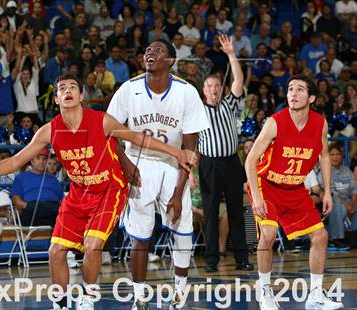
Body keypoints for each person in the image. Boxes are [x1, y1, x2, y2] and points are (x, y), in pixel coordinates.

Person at [0, 74, 196, 310]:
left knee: (92, 244)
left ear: (81, 95)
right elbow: (16, 161)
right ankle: (61, 304)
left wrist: (176, 152)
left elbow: (138, 138)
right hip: (79, 192)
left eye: (73, 87)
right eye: (62, 88)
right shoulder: (50, 130)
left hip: (109, 189)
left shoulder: (102, 121)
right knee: (55, 251)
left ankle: (87, 299)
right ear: (56, 99)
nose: (68, 90)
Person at [107, 38, 209, 309]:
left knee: (183, 230)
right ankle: (139, 296)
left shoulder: (187, 92)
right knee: (140, 235)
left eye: (158, 50)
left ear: (171, 61)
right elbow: (110, 132)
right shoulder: (128, 90)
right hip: (138, 164)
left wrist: (178, 192)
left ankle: (180, 292)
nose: (150, 53)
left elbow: (189, 148)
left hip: (172, 165)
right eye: (147, 50)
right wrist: (125, 164)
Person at [245, 74, 344, 310]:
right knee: (267, 234)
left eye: (300, 90)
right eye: (290, 89)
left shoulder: (320, 123)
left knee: (320, 236)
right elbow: (250, 161)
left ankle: (316, 296)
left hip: (295, 187)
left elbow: (324, 156)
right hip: (266, 184)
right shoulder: (274, 122)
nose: (293, 93)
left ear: (311, 97)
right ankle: (265, 292)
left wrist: (327, 191)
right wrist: (256, 197)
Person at [198, 35, 253, 273]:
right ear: (203, 90)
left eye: (217, 86)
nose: (213, 90)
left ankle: (241, 258)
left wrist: (231, 54)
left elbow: (239, 79)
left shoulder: (229, 103)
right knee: (210, 212)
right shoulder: (196, 110)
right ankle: (211, 259)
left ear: (222, 89)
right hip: (208, 164)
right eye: (209, 86)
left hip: (231, 162)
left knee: (235, 211)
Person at [11, 147, 64, 227]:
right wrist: (28, 206)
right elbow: (17, 201)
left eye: (44, 159)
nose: (41, 162)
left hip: (53, 209)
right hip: (32, 209)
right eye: (38, 158)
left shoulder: (53, 179)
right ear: (31, 161)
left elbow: (62, 200)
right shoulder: (20, 178)